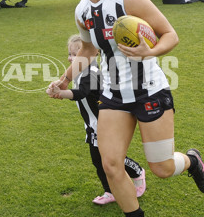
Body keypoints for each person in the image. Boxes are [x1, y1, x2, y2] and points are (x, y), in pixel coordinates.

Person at [48, 0, 204, 217]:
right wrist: (64, 79)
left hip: (149, 89)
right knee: (111, 164)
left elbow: (170, 35)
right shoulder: (83, 10)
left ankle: (192, 161)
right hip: (113, 94)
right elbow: (88, 48)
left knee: (162, 168)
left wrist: (148, 52)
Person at [47, 35, 146, 205]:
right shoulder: (76, 72)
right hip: (92, 125)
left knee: (110, 158)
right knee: (98, 160)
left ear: (90, 54)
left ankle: (137, 171)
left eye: (76, 54)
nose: (71, 58)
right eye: (70, 54)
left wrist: (62, 93)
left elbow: (82, 93)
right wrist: (57, 85)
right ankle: (110, 191)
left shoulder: (92, 73)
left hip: (104, 124)